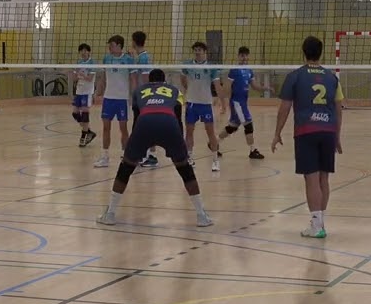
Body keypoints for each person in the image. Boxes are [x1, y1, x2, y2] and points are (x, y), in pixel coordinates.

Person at [96, 69, 213, 227]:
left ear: (149, 82)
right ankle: (201, 216)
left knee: (125, 168)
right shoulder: (174, 90)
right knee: (185, 169)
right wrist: (177, 146)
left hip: (144, 123)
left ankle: (110, 214)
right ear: (164, 81)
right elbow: (178, 116)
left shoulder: (139, 90)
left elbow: (137, 117)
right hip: (169, 123)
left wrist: (137, 146)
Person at [272, 36, 344, 239]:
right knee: (324, 179)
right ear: (321, 52)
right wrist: (337, 136)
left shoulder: (295, 76)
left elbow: (284, 108)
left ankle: (316, 225)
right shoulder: (332, 78)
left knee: (311, 179)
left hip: (306, 131)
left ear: (303, 51)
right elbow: (339, 110)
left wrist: (277, 133)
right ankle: (320, 223)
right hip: (328, 131)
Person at [180, 41, 223, 172]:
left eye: (200, 50)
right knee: (189, 131)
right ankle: (190, 158)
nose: (197, 52)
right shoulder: (187, 65)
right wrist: (188, 88)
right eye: (196, 50)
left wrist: (223, 102)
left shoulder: (211, 67)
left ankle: (215, 160)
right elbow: (182, 78)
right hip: (192, 103)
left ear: (205, 52)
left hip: (205, 104)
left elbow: (217, 85)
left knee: (210, 132)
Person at [94, 35, 134, 168]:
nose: (109, 48)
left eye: (111, 45)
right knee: (106, 127)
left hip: (122, 99)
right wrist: (97, 92)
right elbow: (103, 78)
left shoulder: (128, 60)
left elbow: (133, 79)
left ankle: (125, 156)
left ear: (118, 45)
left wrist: (133, 96)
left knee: (123, 128)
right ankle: (105, 156)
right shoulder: (107, 58)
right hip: (108, 99)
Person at [220, 46, 267, 160]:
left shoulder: (249, 70)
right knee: (248, 124)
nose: (244, 57)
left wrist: (265, 88)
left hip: (243, 103)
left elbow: (254, 86)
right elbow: (227, 86)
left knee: (233, 127)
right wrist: (224, 102)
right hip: (237, 103)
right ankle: (252, 150)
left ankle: (214, 143)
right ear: (238, 56)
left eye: (246, 55)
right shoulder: (234, 70)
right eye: (242, 55)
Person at [129, 31, 158, 167]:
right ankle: (144, 154)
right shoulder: (141, 57)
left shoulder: (144, 58)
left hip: (145, 98)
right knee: (141, 126)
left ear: (134, 41)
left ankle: (151, 156)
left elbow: (146, 79)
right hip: (143, 97)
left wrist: (145, 98)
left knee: (146, 126)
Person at [71, 43, 97, 147]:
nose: (83, 52)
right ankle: (89, 131)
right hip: (79, 91)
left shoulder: (92, 63)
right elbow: (74, 78)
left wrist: (81, 74)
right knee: (75, 113)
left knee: (85, 113)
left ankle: (84, 137)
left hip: (87, 91)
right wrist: (72, 74)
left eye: (85, 50)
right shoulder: (79, 62)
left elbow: (90, 78)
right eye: (81, 50)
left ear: (89, 52)